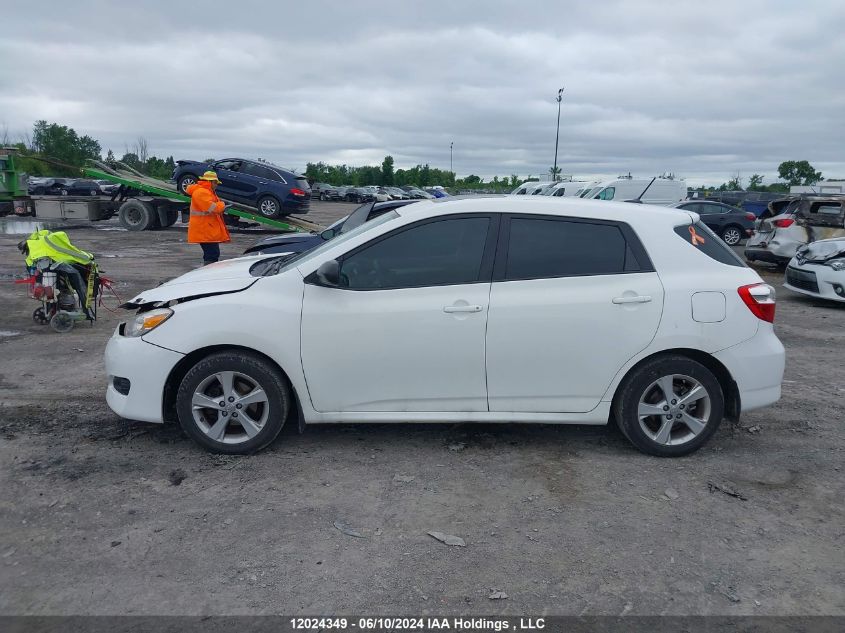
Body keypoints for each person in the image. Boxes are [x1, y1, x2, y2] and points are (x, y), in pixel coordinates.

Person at [185, 171, 230, 265]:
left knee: (212, 253)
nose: (216, 185)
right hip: (204, 229)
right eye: (215, 182)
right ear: (209, 182)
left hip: (206, 228)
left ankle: (208, 272)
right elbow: (212, 208)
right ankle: (208, 274)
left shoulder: (206, 191)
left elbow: (212, 207)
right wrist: (222, 204)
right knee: (212, 254)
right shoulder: (202, 192)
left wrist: (220, 205)